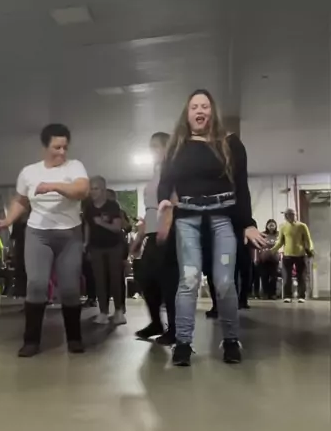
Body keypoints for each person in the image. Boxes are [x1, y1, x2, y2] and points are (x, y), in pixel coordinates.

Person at [158, 89, 265, 366]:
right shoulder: (177, 145)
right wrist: (163, 201)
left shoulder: (230, 143)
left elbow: (241, 186)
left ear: (212, 111)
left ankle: (231, 341)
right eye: (194, 106)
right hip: (187, 219)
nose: (199, 110)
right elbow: (165, 180)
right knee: (189, 281)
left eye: (204, 106)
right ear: (187, 113)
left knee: (225, 282)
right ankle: (183, 344)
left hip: (222, 217)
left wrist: (248, 223)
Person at [0, 123, 89, 357]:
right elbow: (21, 200)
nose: (62, 152)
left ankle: (75, 338)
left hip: (70, 235)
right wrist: (8, 220)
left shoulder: (75, 167)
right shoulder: (29, 172)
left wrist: (53, 186)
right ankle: (31, 341)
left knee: (70, 288)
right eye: (57, 147)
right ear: (45, 147)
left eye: (65, 147)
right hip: (38, 233)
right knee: (36, 285)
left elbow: (81, 191)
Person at [131, 132, 178, 346]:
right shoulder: (156, 173)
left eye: (156, 146)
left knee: (168, 282)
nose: (152, 151)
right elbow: (150, 209)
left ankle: (175, 329)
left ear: (167, 147)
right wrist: (140, 236)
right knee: (146, 278)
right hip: (151, 232)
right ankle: (156, 323)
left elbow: (174, 202)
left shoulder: (173, 171)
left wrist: (166, 226)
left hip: (167, 231)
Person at [83, 176, 126, 325]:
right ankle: (103, 312)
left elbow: (117, 227)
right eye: (91, 189)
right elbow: (87, 225)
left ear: (103, 189)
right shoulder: (88, 207)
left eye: (96, 188)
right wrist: (86, 243)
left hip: (114, 246)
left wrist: (101, 223)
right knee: (99, 280)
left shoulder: (112, 205)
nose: (92, 192)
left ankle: (119, 311)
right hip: (96, 248)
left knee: (115, 279)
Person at [272, 208, 314, 303]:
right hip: (287, 255)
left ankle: (301, 296)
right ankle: (287, 296)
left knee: (301, 277)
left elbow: (308, 240)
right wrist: (272, 250)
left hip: (300, 254)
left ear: (295, 215)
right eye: (287, 215)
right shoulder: (283, 226)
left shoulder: (302, 226)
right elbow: (280, 241)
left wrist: (311, 249)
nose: (289, 216)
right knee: (287, 277)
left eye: (291, 214)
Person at [257, 219, 280, 299]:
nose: (271, 227)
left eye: (273, 225)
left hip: (274, 259)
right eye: (270, 225)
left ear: (275, 226)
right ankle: (265, 293)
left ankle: (272, 293)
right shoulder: (262, 234)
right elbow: (259, 245)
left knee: (274, 277)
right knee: (264, 276)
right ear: (267, 226)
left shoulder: (278, 234)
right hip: (264, 258)